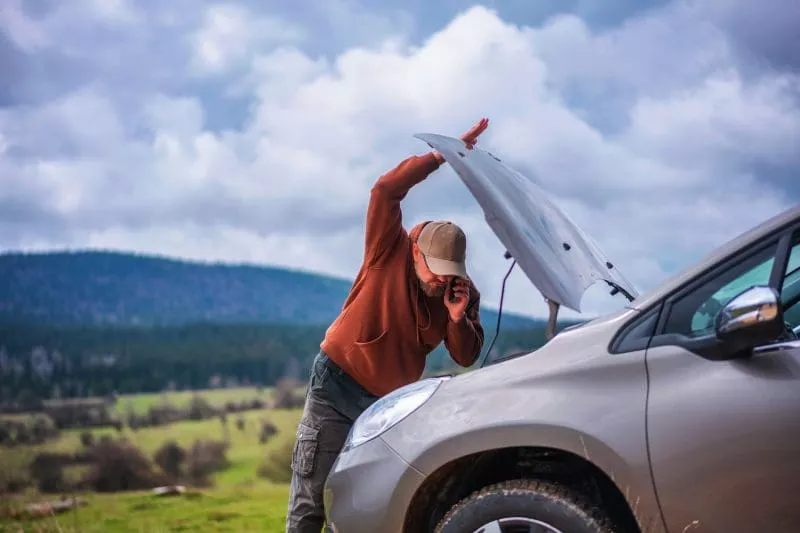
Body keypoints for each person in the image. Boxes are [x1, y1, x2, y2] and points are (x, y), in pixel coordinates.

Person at [285, 118, 490, 533]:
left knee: (376, 502)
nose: (440, 279)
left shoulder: (459, 291)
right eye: (434, 268)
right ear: (415, 251)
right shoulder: (388, 248)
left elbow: (466, 356)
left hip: (389, 407)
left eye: (449, 271)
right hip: (336, 385)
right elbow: (384, 190)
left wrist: (456, 319)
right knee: (311, 501)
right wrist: (438, 156)